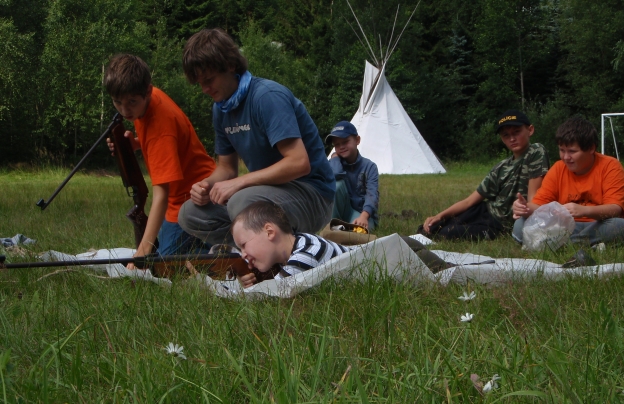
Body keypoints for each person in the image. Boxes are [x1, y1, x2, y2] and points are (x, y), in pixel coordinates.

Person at [177, 28, 336, 246]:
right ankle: (249, 251)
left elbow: (299, 163)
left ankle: (286, 251)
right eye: (199, 83)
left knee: (242, 202)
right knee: (190, 213)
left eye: (209, 79)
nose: (204, 89)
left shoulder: (266, 97)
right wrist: (205, 185)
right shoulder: (221, 109)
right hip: (267, 194)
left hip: (312, 194)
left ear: (230, 65)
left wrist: (239, 183)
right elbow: (227, 169)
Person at [103, 54, 216, 263]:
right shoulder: (148, 99)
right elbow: (162, 143)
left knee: (165, 263)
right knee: (163, 252)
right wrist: (136, 144)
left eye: (131, 102)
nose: (125, 110)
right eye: (117, 102)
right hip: (186, 194)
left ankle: (218, 246)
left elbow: (161, 195)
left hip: (194, 199)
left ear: (147, 91)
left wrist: (142, 252)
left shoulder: (160, 128)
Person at [231, 201, 455, 288]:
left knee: (450, 274)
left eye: (243, 245)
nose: (243, 254)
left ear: (270, 232)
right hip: (390, 250)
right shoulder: (299, 244)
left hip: (395, 256)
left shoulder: (305, 255)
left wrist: (245, 288)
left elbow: (274, 293)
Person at [420, 110, 549, 240]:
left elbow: (533, 199)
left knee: (447, 233)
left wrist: (526, 208)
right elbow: (469, 201)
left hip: (499, 224)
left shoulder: (536, 151)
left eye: (516, 132)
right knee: (430, 227)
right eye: (506, 135)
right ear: (502, 139)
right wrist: (440, 215)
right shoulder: (501, 167)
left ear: (530, 130)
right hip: (483, 210)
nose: (512, 139)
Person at [512, 116, 624, 246]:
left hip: (598, 225)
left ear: (591, 148)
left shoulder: (610, 166)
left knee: (621, 226)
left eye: (572, 151)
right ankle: (585, 244)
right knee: (520, 224)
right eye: (562, 150)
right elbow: (539, 206)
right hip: (564, 226)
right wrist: (524, 208)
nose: (566, 157)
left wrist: (583, 211)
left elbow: (614, 209)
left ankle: (555, 243)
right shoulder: (558, 168)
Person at [327, 121, 379, 230]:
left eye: (345, 142)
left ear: (357, 140)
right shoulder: (334, 163)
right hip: (342, 211)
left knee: (358, 231)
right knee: (336, 184)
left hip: (362, 213)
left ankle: (344, 228)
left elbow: (372, 195)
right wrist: (335, 158)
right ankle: (332, 225)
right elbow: (335, 175)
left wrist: (364, 216)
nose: (341, 147)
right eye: (337, 144)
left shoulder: (370, 166)